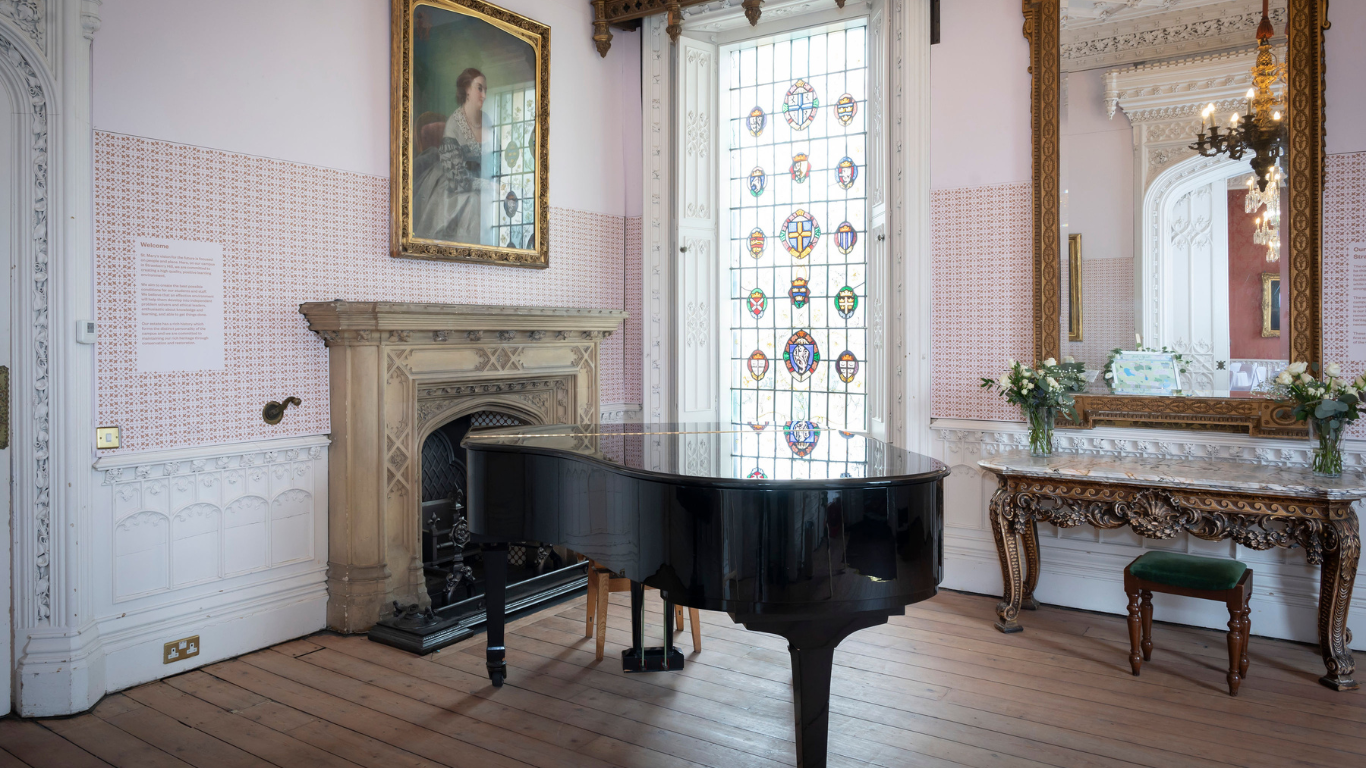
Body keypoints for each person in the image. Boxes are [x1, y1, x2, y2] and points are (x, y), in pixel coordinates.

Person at [412, 67, 495, 244]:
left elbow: (493, 162)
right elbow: (456, 178)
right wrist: (485, 184)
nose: (484, 95)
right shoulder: (454, 124)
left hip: (478, 183)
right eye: (479, 88)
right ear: (467, 89)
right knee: (474, 202)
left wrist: (494, 184)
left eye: (485, 90)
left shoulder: (486, 121)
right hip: (452, 185)